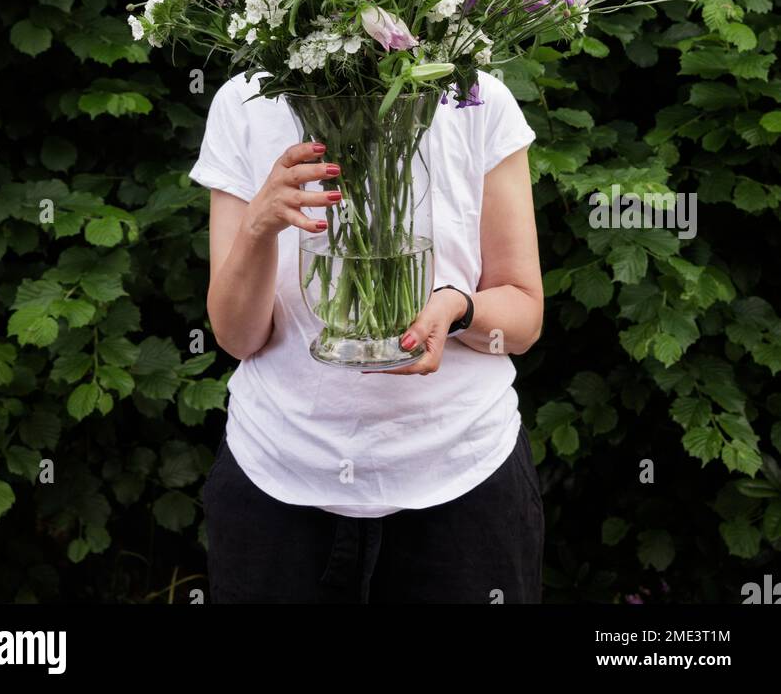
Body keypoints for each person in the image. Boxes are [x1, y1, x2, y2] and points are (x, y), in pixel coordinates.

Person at [192, 66, 545, 605]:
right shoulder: (245, 101)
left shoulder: (473, 96)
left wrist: (458, 307)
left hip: (463, 483)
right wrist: (258, 225)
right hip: (279, 485)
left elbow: (522, 315)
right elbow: (239, 338)